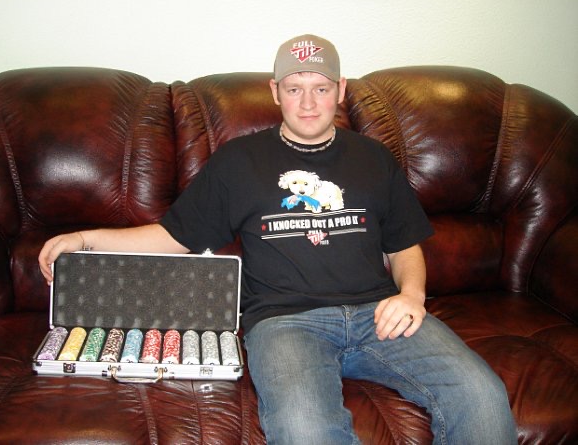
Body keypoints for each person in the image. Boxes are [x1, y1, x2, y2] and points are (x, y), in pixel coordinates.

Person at [39, 34, 517, 444]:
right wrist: (85, 238)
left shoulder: (374, 159)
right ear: (275, 92)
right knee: (306, 429)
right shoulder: (238, 161)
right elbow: (174, 237)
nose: (308, 103)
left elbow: (404, 245)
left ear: (340, 91)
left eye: (320, 89)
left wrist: (412, 295)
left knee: (481, 394)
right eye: (294, 89)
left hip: (378, 314)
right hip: (287, 324)